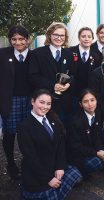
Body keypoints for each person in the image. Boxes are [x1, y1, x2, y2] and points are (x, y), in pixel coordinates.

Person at [17, 89, 82, 199]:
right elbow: (31, 158)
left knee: (76, 175)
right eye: (41, 102)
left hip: (54, 166)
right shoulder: (24, 127)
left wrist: (60, 166)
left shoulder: (53, 119)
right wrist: (48, 178)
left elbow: (60, 145)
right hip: (36, 173)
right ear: (32, 102)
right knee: (50, 194)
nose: (45, 107)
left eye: (48, 103)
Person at [0, 25, 32, 180]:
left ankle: (29, 162)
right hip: (10, 100)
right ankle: (11, 164)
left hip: (30, 100)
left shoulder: (35, 55)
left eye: (21, 39)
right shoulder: (2, 54)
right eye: (14, 39)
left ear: (27, 39)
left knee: (27, 133)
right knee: (10, 134)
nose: (18, 42)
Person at [29, 22, 75, 125]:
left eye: (62, 35)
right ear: (50, 35)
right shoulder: (37, 53)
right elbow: (33, 77)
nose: (59, 38)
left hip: (64, 103)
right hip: (44, 103)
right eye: (56, 35)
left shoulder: (69, 54)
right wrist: (53, 85)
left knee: (63, 131)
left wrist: (68, 84)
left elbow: (73, 75)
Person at [67, 89, 104, 178]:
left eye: (92, 100)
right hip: (78, 155)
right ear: (81, 104)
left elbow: (97, 137)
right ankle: (79, 171)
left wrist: (100, 149)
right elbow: (76, 148)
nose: (90, 104)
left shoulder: (98, 113)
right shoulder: (75, 121)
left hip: (90, 149)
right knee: (98, 162)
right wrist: (97, 153)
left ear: (96, 101)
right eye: (85, 102)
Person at [69, 27, 101, 99]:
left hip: (89, 95)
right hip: (72, 94)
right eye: (83, 36)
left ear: (92, 39)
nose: (86, 39)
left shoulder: (96, 56)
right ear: (79, 38)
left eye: (89, 37)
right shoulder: (69, 52)